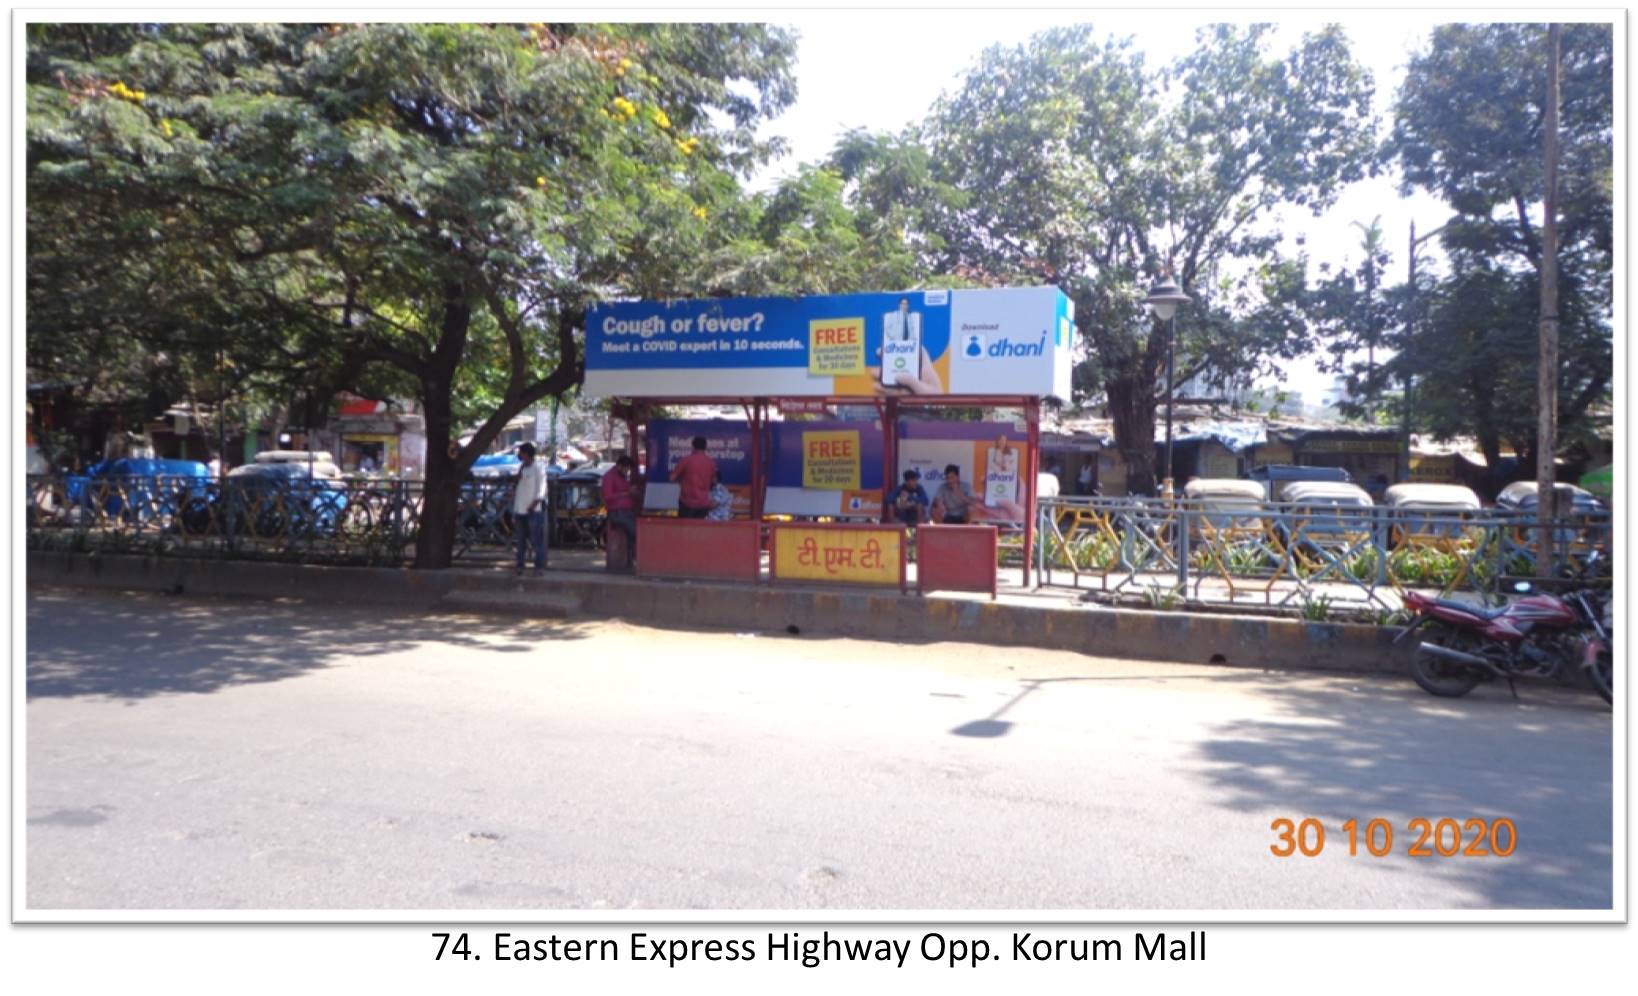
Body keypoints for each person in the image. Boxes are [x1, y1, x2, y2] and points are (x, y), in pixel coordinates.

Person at [512, 442, 548, 575]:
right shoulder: (522, 467)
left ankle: (538, 567)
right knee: (520, 540)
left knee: (536, 540)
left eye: (521, 453)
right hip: (520, 509)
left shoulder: (538, 468)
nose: (519, 455)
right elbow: (519, 487)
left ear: (526, 454)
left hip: (533, 510)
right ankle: (520, 565)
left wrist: (534, 504)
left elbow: (542, 488)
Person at [602, 454, 639, 561]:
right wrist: (626, 494)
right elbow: (608, 497)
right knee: (635, 531)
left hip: (627, 511)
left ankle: (630, 556)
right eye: (626, 469)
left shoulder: (623, 477)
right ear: (619, 466)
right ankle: (633, 555)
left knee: (641, 527)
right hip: (616, 513)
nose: (627, 472)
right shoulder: (609, 477)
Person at [670, 435, 717, 519]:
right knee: (699, 529)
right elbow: (714, 481)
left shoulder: (686, 460)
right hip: (703, 503)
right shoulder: (711, 463)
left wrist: (681, 481)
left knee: (684, 530)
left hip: (687, 502)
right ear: (705, 447)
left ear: (693, 446)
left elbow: (672, 478)